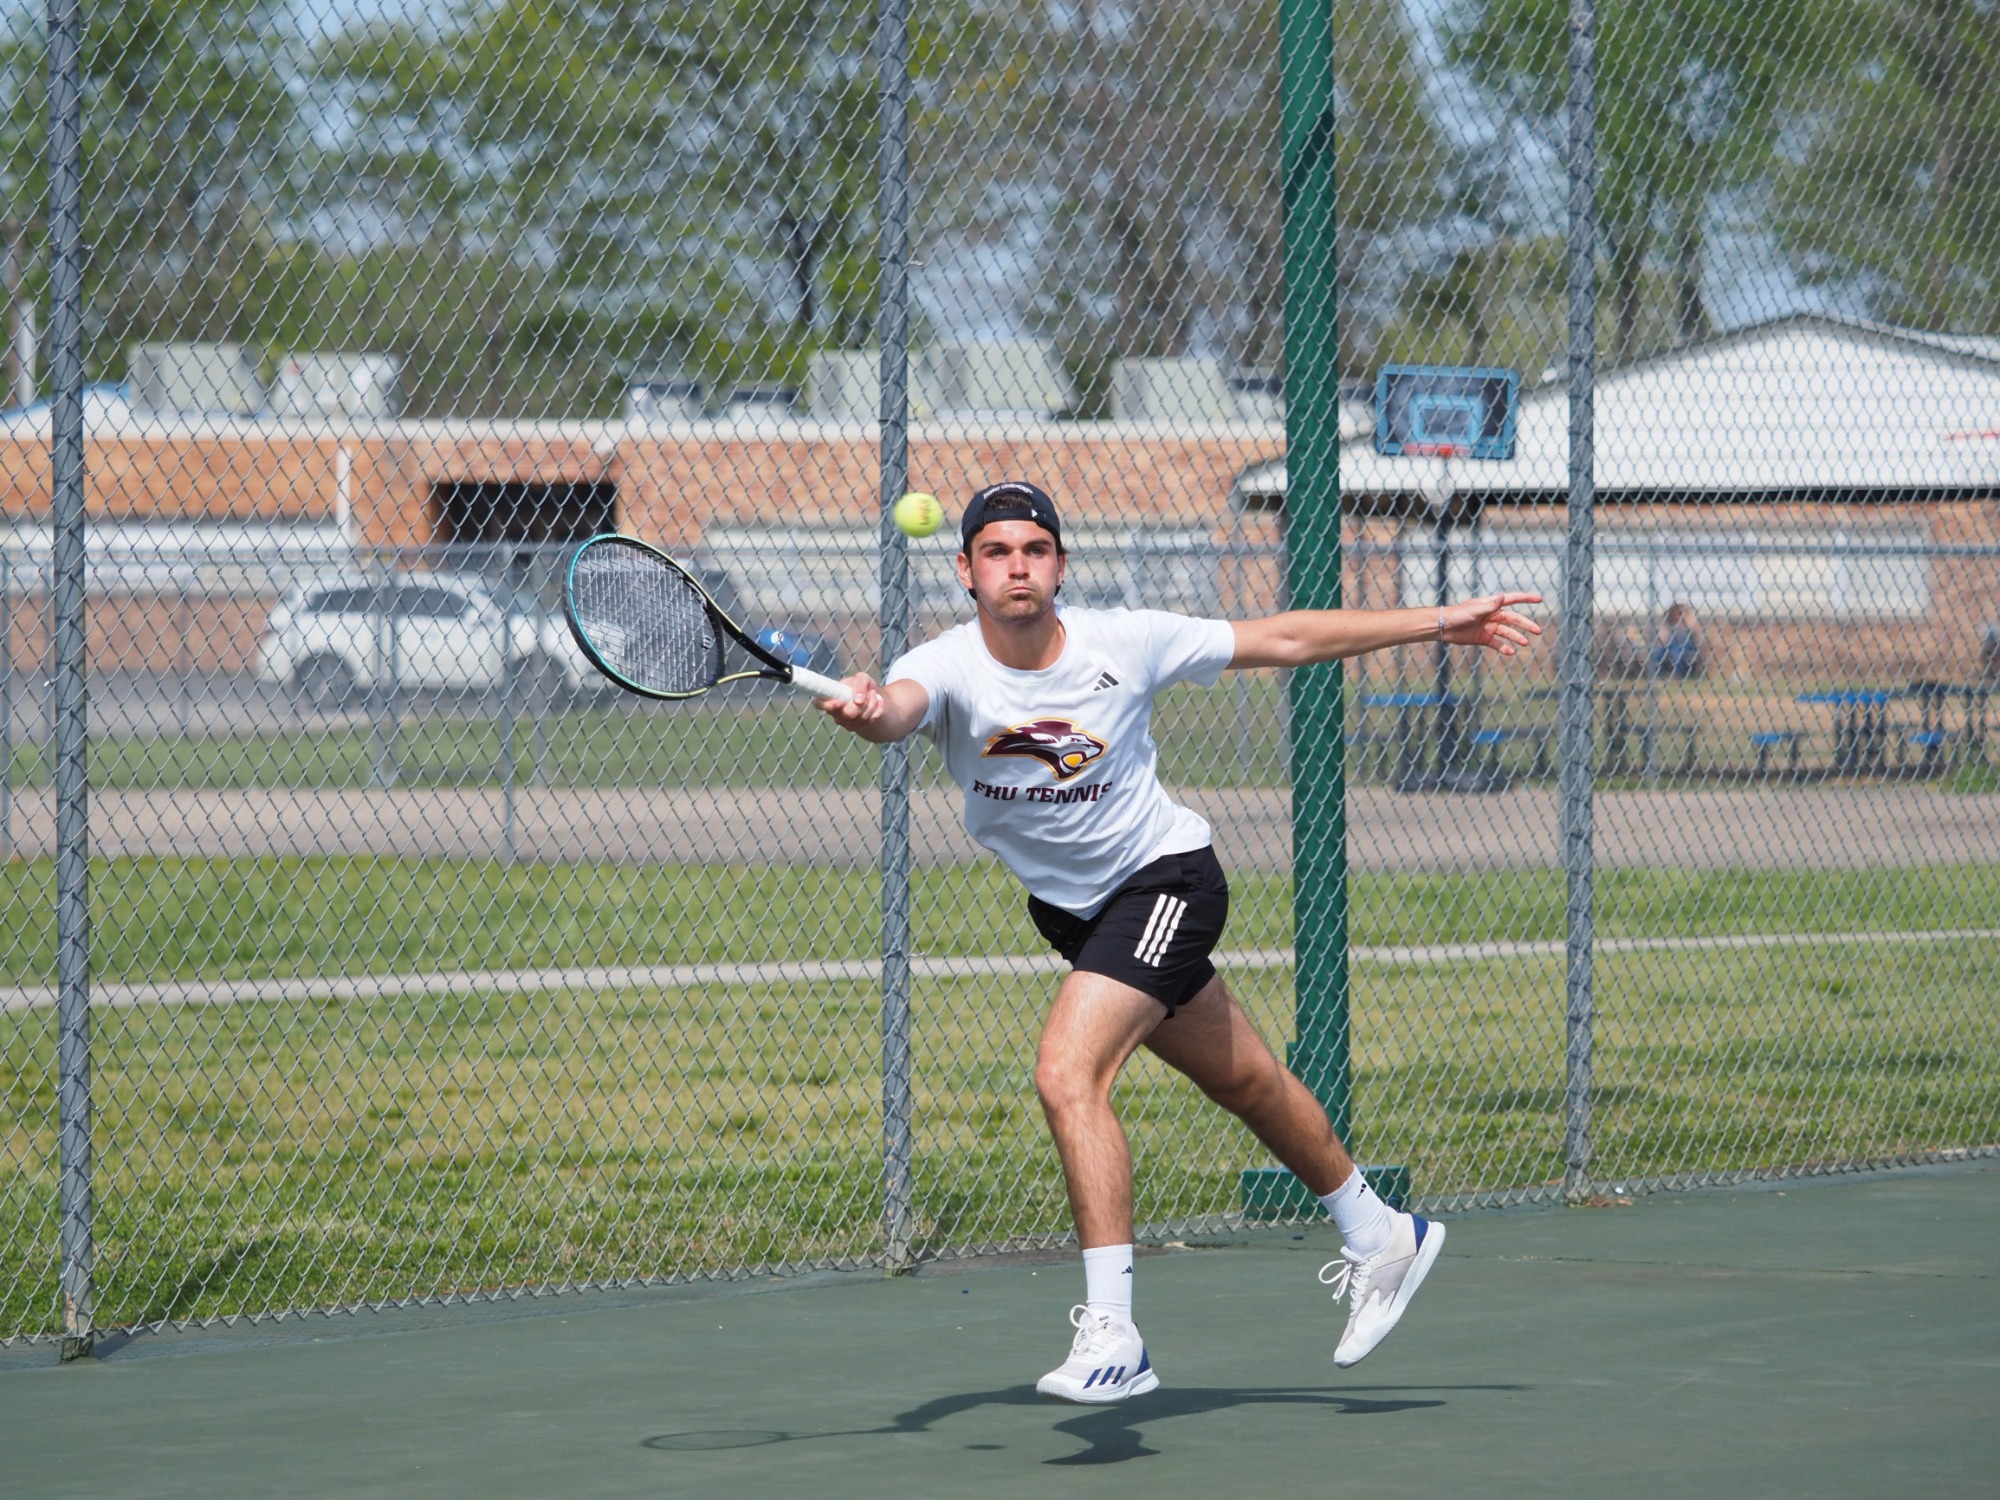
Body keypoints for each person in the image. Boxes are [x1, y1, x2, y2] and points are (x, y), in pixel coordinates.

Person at [816, 480, 1543, 1404]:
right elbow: (898, 712)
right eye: (996, 553)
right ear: (966, 571)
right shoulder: (949, 663)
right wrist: (864, 710)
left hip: (1164, 882)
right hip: (1073, 914)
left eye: (1035, 550)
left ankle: (1114, 1334)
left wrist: (1439, 623)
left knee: (1066, 1075)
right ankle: (1379, 1233)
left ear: (1060, 566)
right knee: (1244, 1080)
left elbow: (1284, 636)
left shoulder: (1126, 640)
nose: (1017, 568)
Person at [1651, 601, 1704, 679]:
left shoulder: (1691, 627)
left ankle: (1677, 674)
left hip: (1686, 647)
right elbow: (1662, 640)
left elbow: (1698, 636)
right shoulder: (1671, 626)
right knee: (1658, 652)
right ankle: (1657, 675)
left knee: (1677, 650)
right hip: (1671, 646)